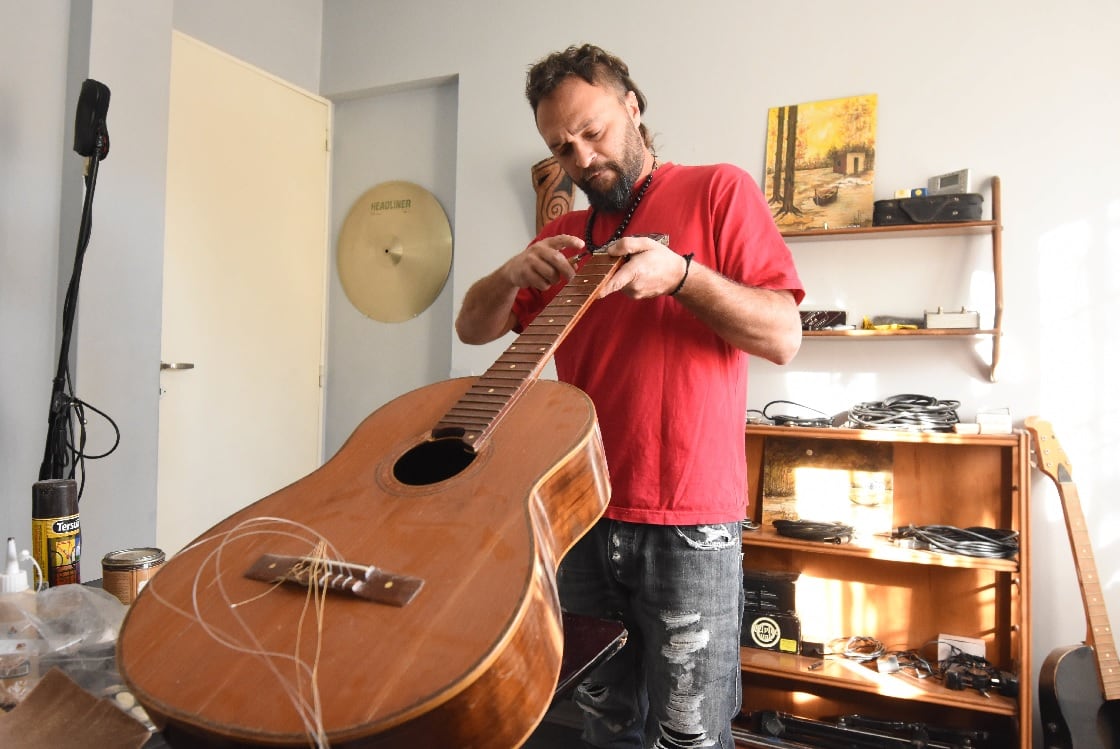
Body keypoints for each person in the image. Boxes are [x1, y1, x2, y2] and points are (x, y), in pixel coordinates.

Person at [455, 43, 805, 749]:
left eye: (593, 131)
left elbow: (783, 335)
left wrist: (683, 277)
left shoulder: (719, 190)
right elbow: (473, 326)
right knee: (606, 727)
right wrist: (504, 275)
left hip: (690, 522)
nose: (581, 158)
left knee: (691, 737)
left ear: (633, 107)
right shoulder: (560, 235)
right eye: (561, 146)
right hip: (579, 514)